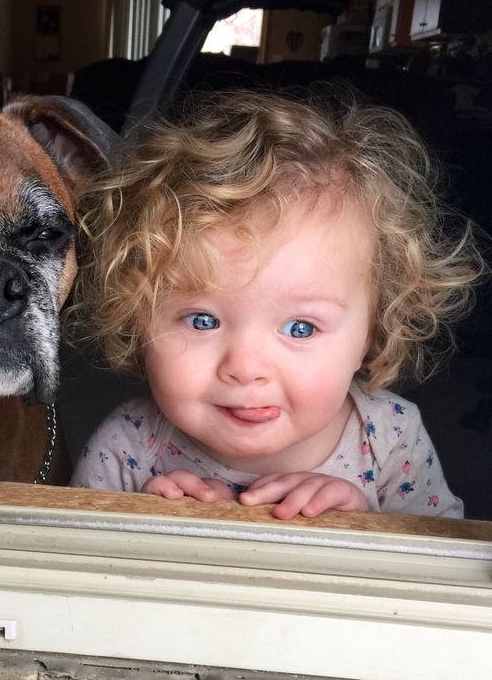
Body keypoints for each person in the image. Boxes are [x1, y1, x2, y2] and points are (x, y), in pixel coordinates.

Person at [68, 90, 486, 519]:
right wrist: (132, 529)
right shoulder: (127, 445)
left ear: (374, 330)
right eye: (202, 319)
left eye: (300, 328)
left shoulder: (391, 438)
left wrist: (367, 526)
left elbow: (444, 567)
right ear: (138, 315)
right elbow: (63, 570)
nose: (246, 368)